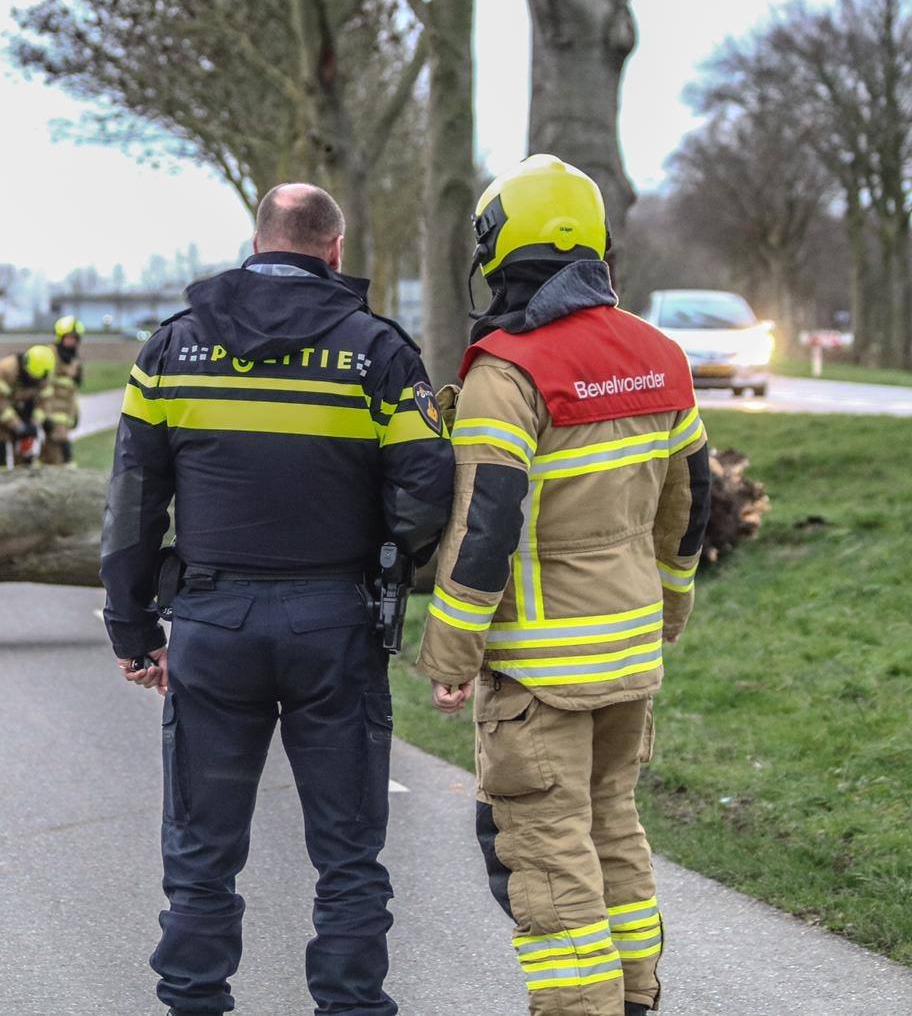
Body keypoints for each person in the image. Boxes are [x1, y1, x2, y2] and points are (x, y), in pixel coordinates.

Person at [101, 183, 455, 1016]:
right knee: (348, 852)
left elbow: (132, 500)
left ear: (255, 242)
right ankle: (351, 1005)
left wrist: (132, 623)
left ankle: (192, 1000)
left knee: (201, 848)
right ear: (335, 249)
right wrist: (391, 560)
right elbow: (428, 488)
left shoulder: (171, 349)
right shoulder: (378, 351)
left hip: (213, 625)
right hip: (334, 622)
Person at [416, 155, 710, 1016]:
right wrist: (670, 607)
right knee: (613, 829)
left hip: (540, 673)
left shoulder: (504, 373)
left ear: (499, 248)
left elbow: (484, 528)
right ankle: (637, 999)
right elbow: (690, 506)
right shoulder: (660, 354)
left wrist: (450, 651)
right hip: (627, 653)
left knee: (547, 858)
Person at [0, 343, 55, 467]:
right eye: (31, 377)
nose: (34, 381)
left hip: (25, 414)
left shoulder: (44, 373)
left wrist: (34, 424)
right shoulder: (5, 369)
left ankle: (23, 481)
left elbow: (44, 402)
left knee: (25, 459)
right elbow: (0, 403)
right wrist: (18, 426)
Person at [40, 315, 84, 465]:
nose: (71, 342)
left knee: (52, 456)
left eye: (75, 338)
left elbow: (72, 391)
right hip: (50, 413)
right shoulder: (49, 355)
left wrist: (75, 414)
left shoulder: (74, 361)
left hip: (65, 415)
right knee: (61, 453)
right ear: (60, 337)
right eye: (68, 338)